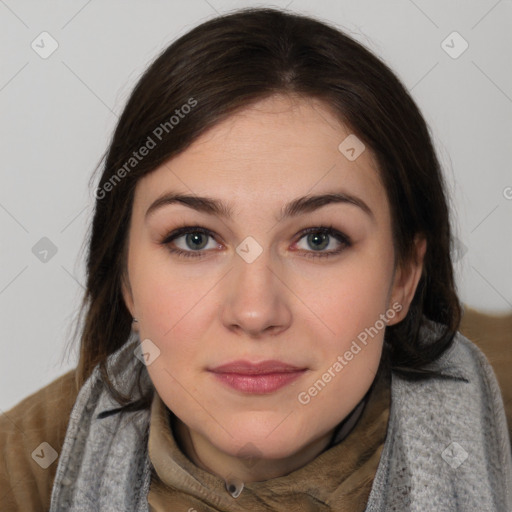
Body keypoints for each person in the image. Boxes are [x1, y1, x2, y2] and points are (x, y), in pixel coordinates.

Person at [1, 7, 511, 512]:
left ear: (402, 278)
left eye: (318, 239)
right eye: (195, 239)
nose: (255, 311)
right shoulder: (21, 473)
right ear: (126, 280)